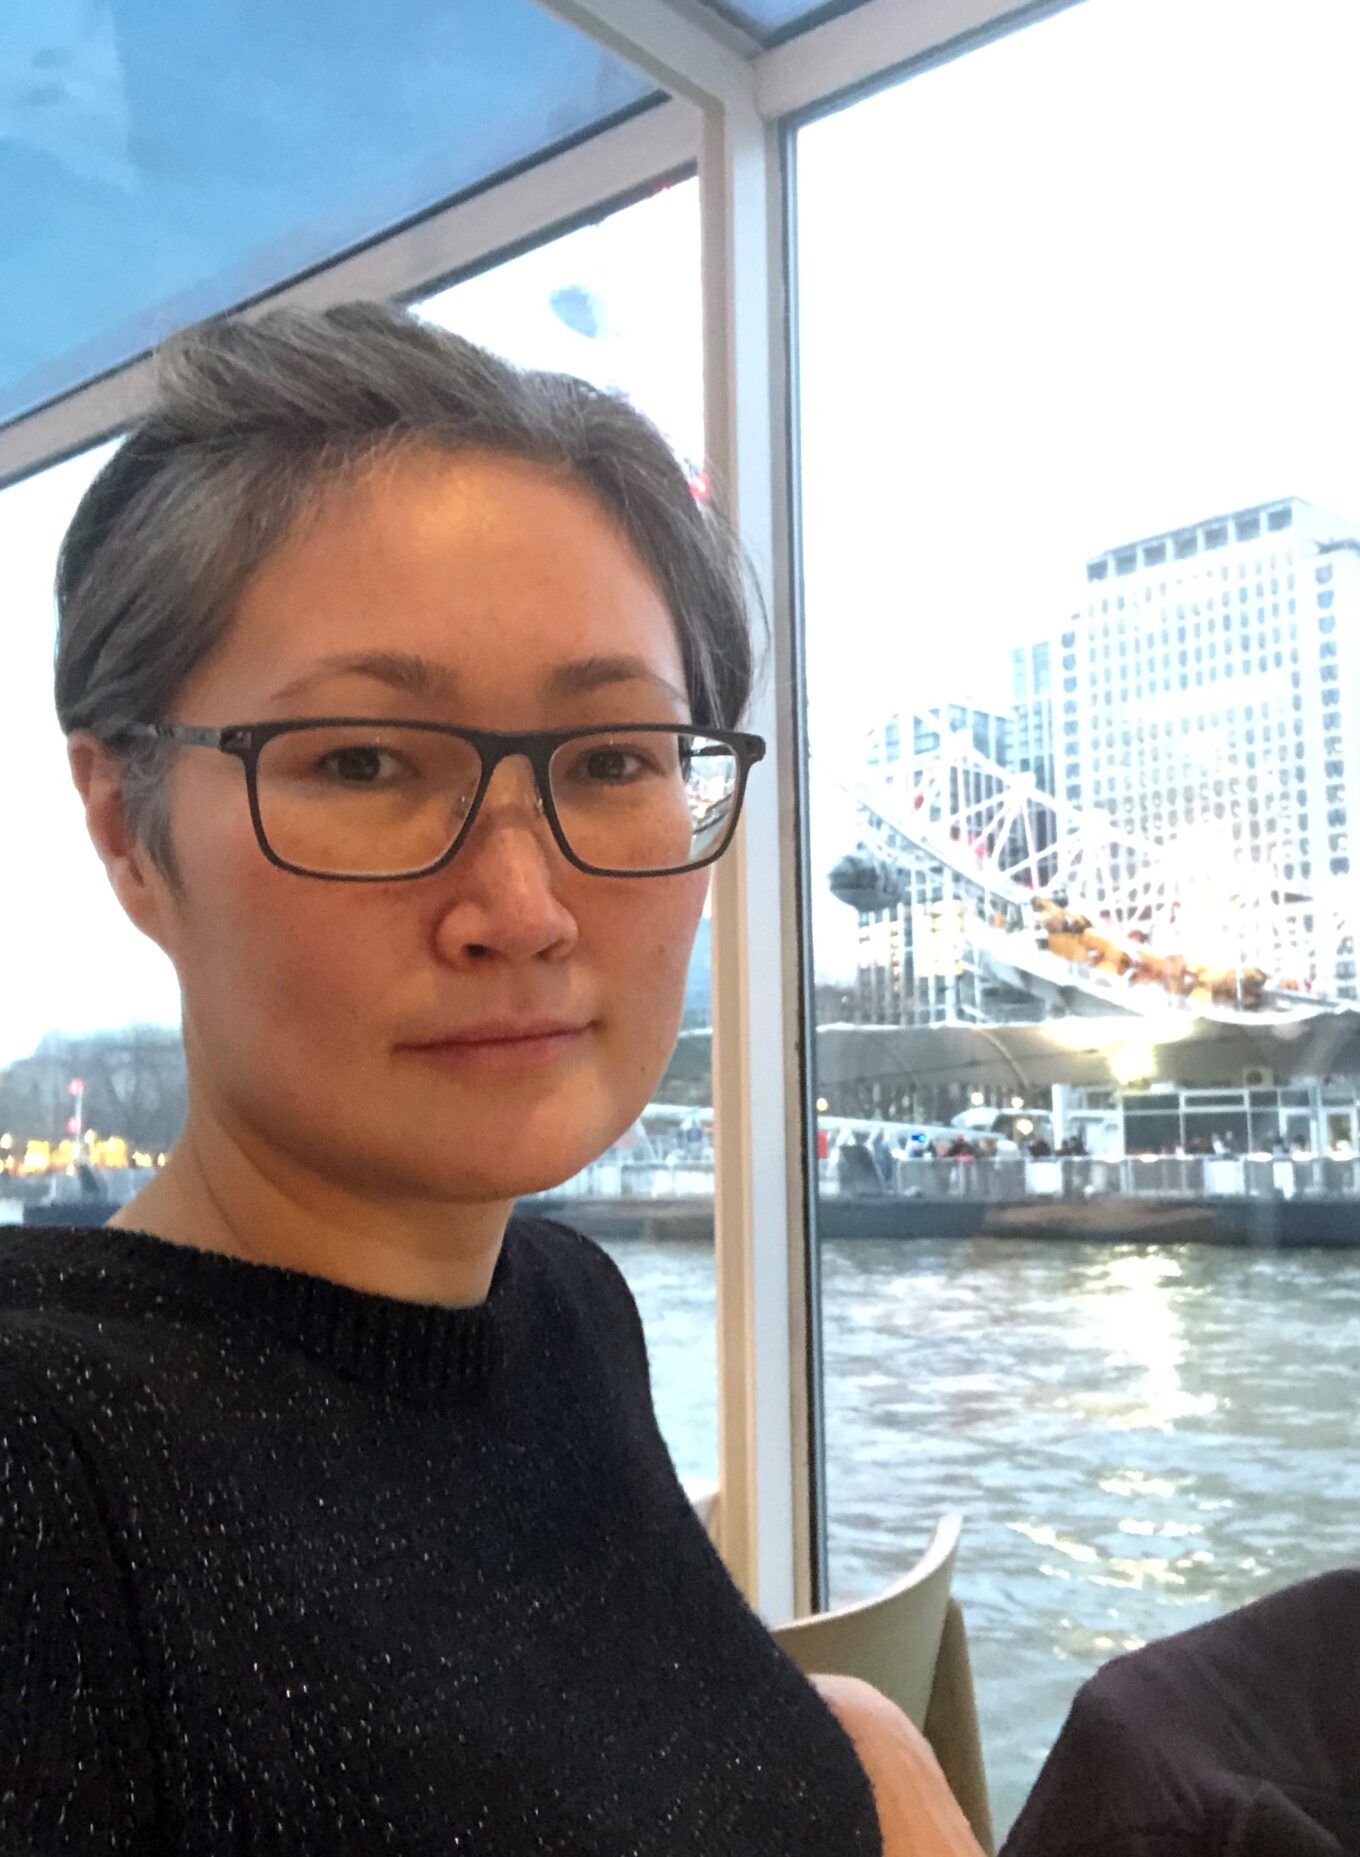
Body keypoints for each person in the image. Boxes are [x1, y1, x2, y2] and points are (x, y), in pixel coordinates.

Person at [0, 304, 980, 1857]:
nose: (520, 908)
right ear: (125, 823)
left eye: (612, 760)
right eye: (368, 762)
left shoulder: (569, 1311)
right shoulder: (46, 1479)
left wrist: (851, 1746)